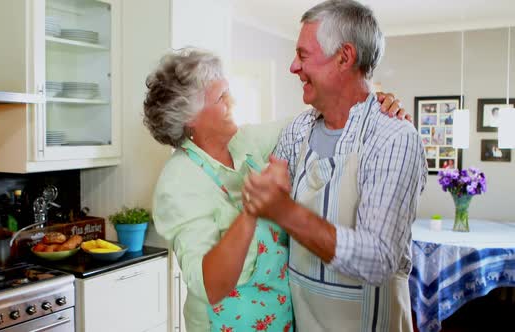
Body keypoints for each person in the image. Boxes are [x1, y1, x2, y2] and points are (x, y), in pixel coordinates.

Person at [143, 49, 408, 331]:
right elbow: (210, 286)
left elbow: (313, 120)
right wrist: (253, 209)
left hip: (281, 320)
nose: (233, 101)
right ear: (190, 118)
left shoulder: (245, 142)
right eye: (222, 97)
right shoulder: (179, 182)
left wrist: (369, 105)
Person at [242, 1, 428, 331]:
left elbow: (380, 259)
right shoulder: (296, 131)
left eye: (303, 55)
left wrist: (284, 211)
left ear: (344, 57)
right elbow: (268, 214)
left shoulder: (394, 136)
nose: (292, 67)